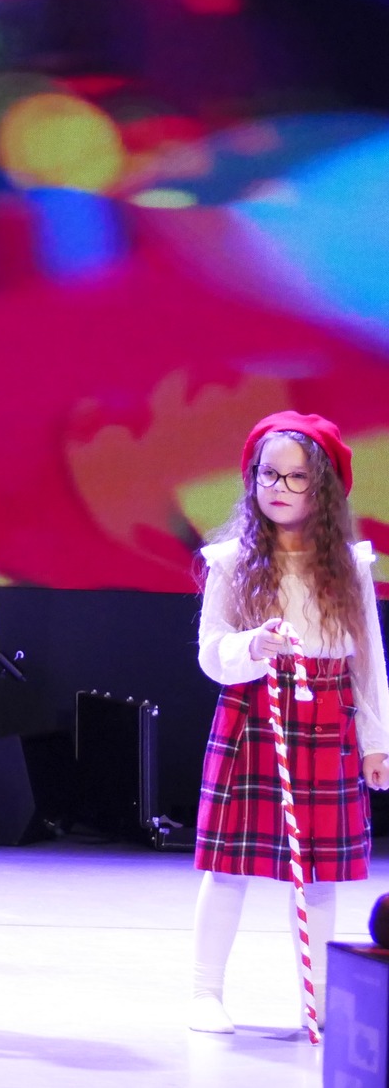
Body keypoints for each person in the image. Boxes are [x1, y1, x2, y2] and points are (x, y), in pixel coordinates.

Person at [187, 411, 389, 1035]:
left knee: (320, 874)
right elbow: (211, 653)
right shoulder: (231, 561)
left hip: (328, 718)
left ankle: (317, 998)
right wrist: (251, 646)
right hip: (254, 714)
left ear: (321, 487)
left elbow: (368, 662)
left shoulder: (348, 566)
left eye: (296, 477)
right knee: (228, 865)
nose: (278, 487)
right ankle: (204, 993)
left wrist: (376, 741)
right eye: (268, 474)